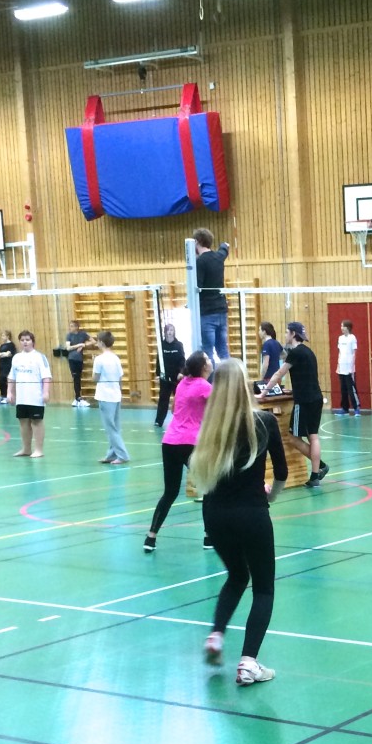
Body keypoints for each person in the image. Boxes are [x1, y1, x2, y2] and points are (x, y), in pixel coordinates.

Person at [190, 359, 288, 685]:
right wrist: (271, 496)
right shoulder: (264, 422)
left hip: (214, 516)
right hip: (251, 515)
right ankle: (248, 663)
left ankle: (216, 635)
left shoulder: (210, 427)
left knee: (236, 575)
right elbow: (282, 472)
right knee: (263, 588)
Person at [144, 353, 213, 553]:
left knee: (170, 492)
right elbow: (220, 410)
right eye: (208, 359)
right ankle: (209, 537)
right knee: (209, 489)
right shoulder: (204, 386)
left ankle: (150, 537)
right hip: (190, 443)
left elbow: (175, 410)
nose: (210, 361)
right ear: (203, 367)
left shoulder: (182, 384)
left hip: (170, 441)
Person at [261, 321, 329, 486]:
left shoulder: (295, 352)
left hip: (304, 401)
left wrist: (264, 392)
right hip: (316, 398)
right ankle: (315, 475)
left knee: (293, 438)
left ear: (293, 334)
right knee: (313, 436)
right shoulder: (308, 352)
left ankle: (320, 466)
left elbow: (279, 373)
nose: (285, 335)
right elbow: (306, 376)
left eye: (287, 332)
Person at [9, 330, 51, 458]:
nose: (25, 342)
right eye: (22, 340)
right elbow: (12, 377)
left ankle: (39, 450)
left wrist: (46, 392)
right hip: (22, 397)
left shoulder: (40, 357)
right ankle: (26, 449)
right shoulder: (16, 358)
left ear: (32, 341)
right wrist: (10, 392)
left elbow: (46, 376)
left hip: (35, 397)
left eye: (27, 339)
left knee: (37, 421)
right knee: (23, 422)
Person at [194, 228, 232, 361]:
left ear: (197, 242)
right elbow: (224, 249)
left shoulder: (200, 262)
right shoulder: (219, 257)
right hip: (221, 310)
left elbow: (198, 286)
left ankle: (209, 376)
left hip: (207, 313)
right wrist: (225, 245)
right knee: (223, 351)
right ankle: (229, 374)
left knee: (207, 353)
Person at [92, 330, 129, 465]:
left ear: (101, 343)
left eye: (97, 341)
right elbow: (120, 378)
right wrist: (119, 392)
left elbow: (95, 378)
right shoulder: (116, 358)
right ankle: (111, 455)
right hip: (116, 395)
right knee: (115, 427)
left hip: (105, 396)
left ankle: (122, 455)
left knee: (110, 429)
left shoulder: (99, 359)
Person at [154, 323, 185, 427]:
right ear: (165, 332)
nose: (170, 332)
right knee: (163, 399)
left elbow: (182, 360)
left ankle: (181, 419)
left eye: (172, 330)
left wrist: (181, 372)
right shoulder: (161, 345)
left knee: (179, 399)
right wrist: (158, 375)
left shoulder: (179, 345)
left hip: (176, 377)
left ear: (174, 332)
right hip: (165, 377)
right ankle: (159, 421)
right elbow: (158, 361)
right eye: (168, 330)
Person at [61, 320, 92, 407]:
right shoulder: (69, 335)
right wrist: (79, 345)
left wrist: (84, 345)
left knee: (78, 378)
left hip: (79, 359)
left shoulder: (83, 334)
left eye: (72, 326)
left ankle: (78, 398)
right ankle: (78, 398)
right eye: (70, 326)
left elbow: (93, 341)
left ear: (76, 327)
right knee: (76, 378)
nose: (70, 328)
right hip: (72, 359)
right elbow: (68, 348)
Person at [336, 319, 361, 416]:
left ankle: (356, 408)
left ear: (348, 327)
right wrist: (338, 366)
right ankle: (345, 408)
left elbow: (354, 353)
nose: (341, 328)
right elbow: (340, 353)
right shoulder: (340, 338)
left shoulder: (352, 338)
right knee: (343, 389)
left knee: (351, 389)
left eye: (343, 326)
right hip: (341, 368)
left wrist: (351, 367)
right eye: (341, 326)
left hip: (349, 369)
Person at [258, 322, 283, 391]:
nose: (258, 332)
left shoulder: (266, 344)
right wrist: (275, 358)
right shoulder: (276, 343)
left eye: (259, 330)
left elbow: (265, 364)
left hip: (269, 379)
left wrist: (261, 379)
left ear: (264, 332)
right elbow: (284, 355)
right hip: (277, 378)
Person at [0, 330, 15, 405]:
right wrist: (3, 354)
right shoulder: (2, 345)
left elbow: (8, 354)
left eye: (3, 336)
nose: (2, 337)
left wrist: (1, 354)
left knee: (1, 379)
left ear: (8, 336)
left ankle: (7, 396)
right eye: (2, 336)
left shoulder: (11, 345)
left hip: (7, 365)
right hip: (1, 365)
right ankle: (3, 395)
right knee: (2, 380)